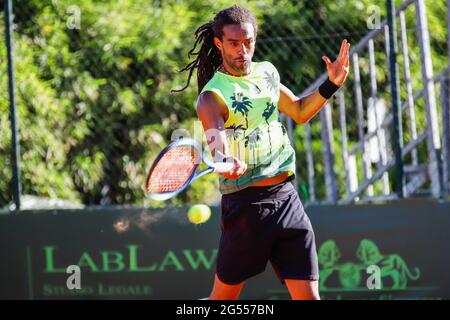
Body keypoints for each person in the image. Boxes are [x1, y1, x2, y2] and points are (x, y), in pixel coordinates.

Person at [174, 5, 350, 300]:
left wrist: (331, 84)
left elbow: (298, 111)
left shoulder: (267, 72)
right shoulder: (211, 97)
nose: (243, 50)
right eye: (234, 43)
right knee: (222, 301)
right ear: (219, 43)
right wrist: (225, 160)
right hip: (246, 209)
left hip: (286, 198)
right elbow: (217, 144)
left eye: (249, 42)